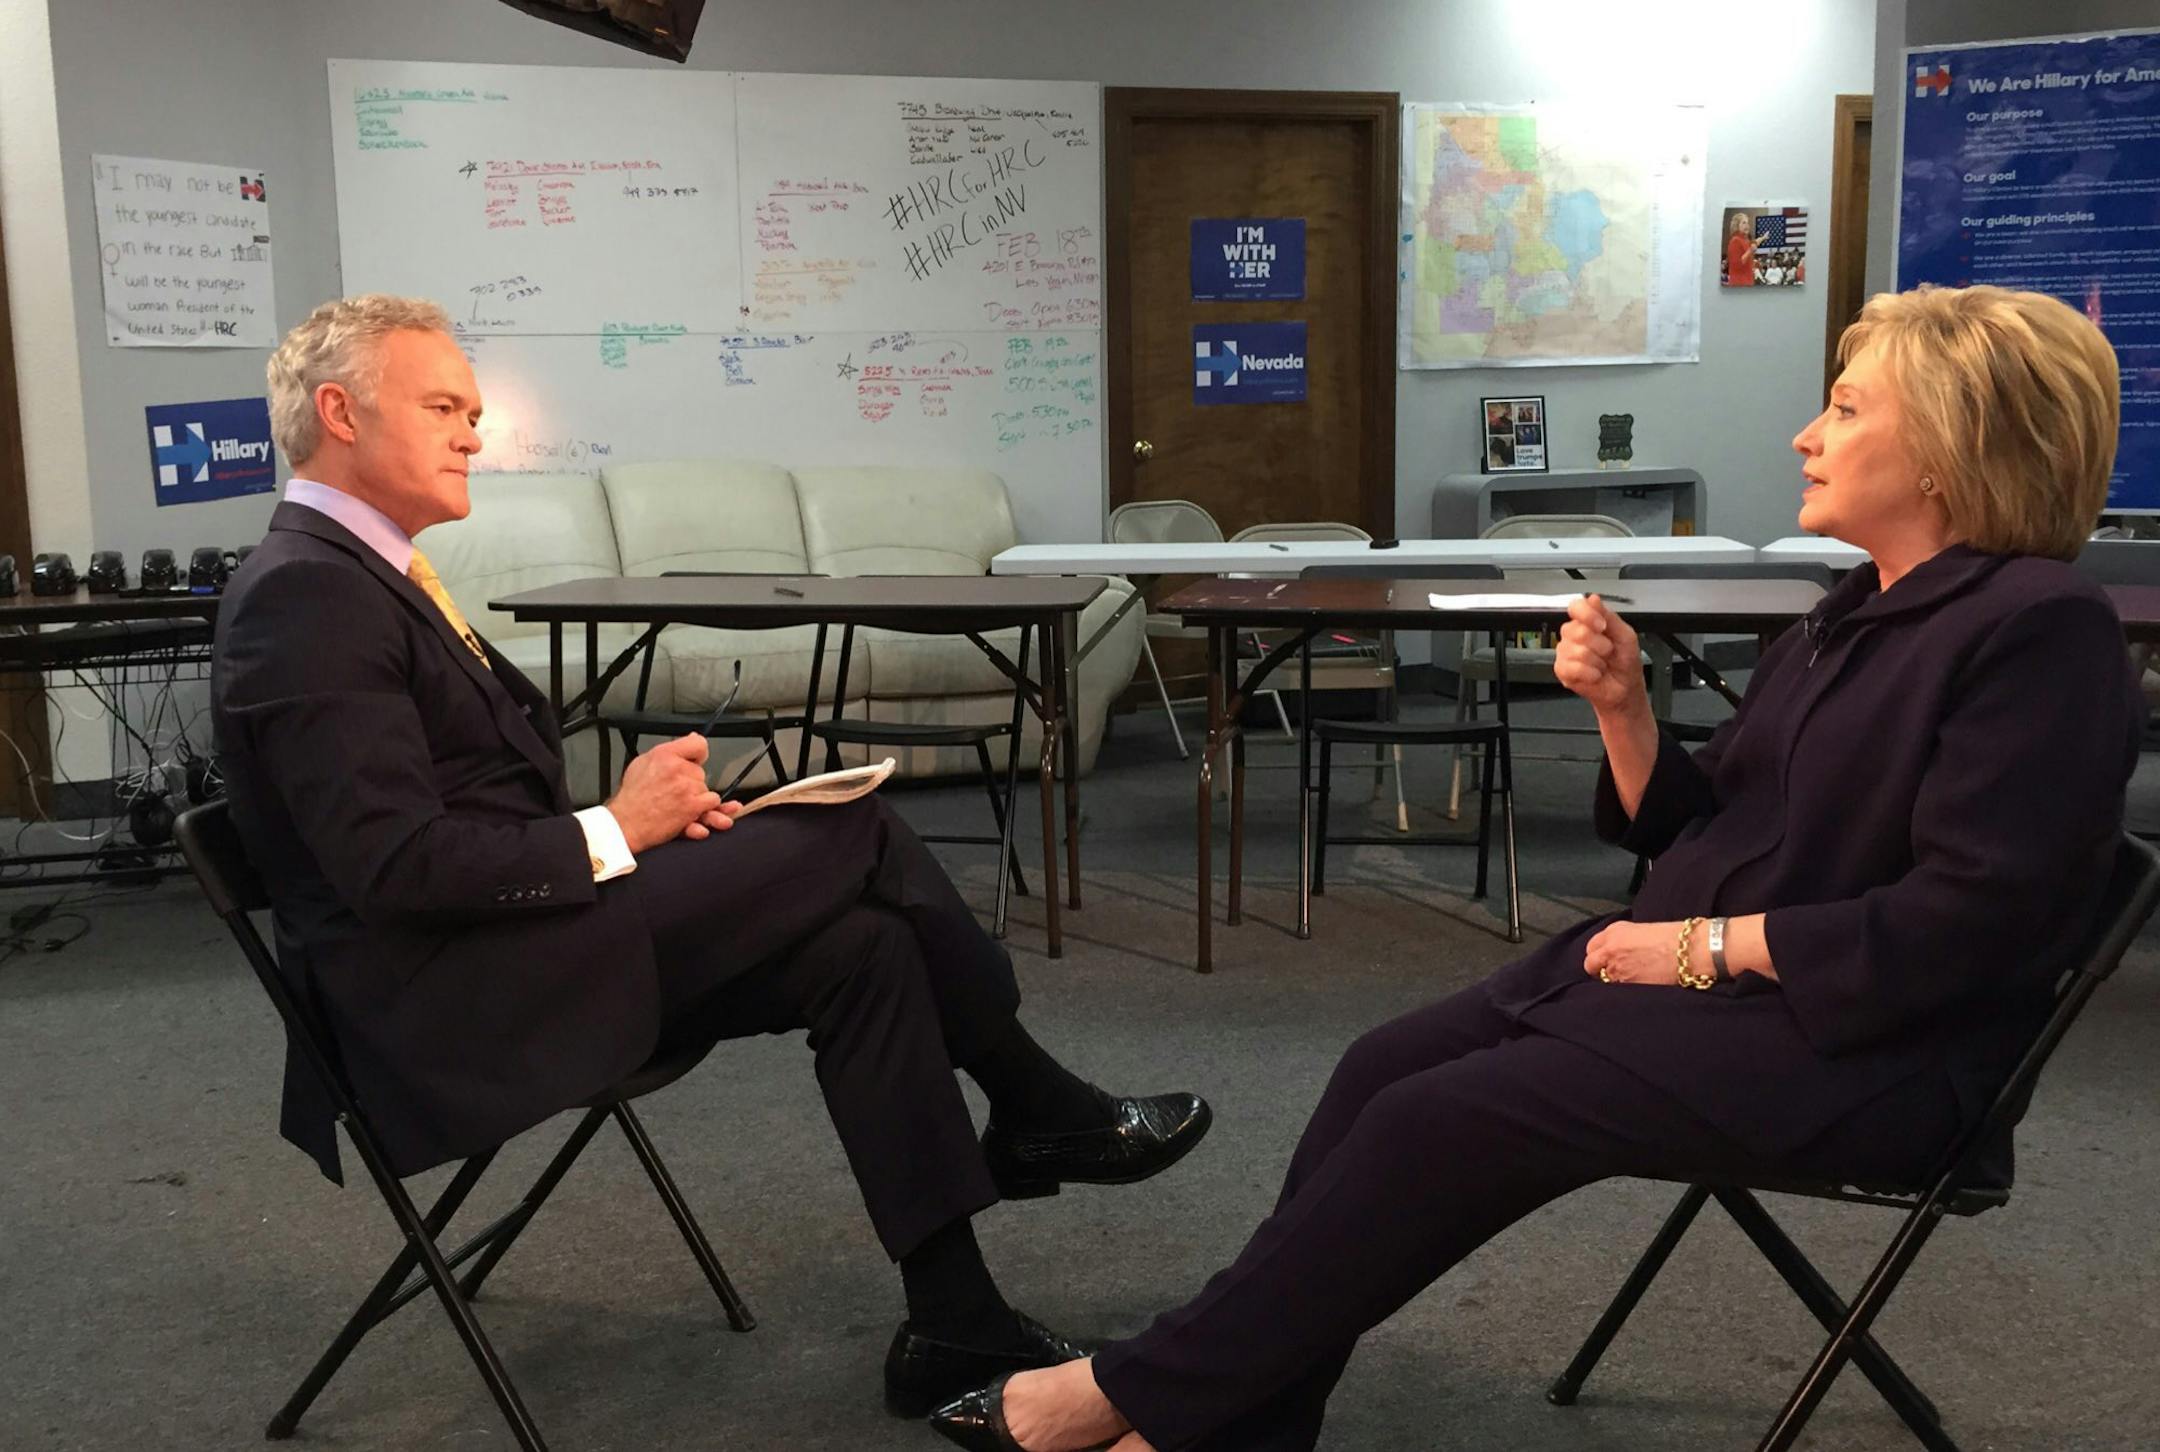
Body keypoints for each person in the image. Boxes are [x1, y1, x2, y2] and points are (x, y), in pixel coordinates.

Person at [929, 284, 2141, 1451]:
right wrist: (1624, 712)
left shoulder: (2040, 630)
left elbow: (1974, 921)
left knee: (1441, 1118)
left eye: (1847, 408)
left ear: (1950, 449)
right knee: (1381, 1068)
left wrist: (1702, 948)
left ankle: (1137, 1387)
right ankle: (1242, 1426)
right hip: (1717, 992)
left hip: (1875, 1052)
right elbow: (1712, 824)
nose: (1806, 435)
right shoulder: (1851, 608)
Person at [210, 294, 1214, 1420]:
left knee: (863, 947)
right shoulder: (305, 594)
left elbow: (462, 809)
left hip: (522, 946)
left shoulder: (366, 576)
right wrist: (616, 828)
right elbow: (395, 868)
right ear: (341, 413)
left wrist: (629, 819)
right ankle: (1038, 1103)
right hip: (451, 1008)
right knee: (852, 829)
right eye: (444, 408)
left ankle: (955, 1323)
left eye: (474, 413)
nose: (473, 436)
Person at [1725, 209, 1756, 287]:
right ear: (1737, 225)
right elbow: (1737, 264)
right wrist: (1750, 250)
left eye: (1747, 223)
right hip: (1739, 283)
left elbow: (1754, 243)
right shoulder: (1735, 241)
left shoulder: (1746, 240)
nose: (1747, 225)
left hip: (1748, 281)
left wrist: (1762, 238)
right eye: (1744, 223)